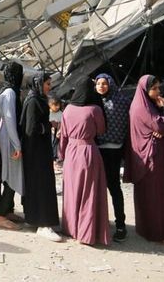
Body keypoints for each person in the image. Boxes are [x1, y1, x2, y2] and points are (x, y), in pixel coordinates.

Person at [59, 78, 110, 246]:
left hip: (70, 152)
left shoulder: (67, 109)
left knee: (72, 192)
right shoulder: (94, 110)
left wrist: (62, 155)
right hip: (87, 151)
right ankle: (86, 233)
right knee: (89, 193)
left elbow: (63, 136)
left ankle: (71, 228)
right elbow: (101, 130)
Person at [127, 75, 164, 244]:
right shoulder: (143, 108)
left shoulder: (147, 105)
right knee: (156, 195)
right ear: (144, 90)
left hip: (150, 156)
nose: (158, 92)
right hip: (150, 158)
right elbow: (160, 127)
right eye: (154, 88)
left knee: (150, 195)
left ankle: (147, 230)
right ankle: (158, 234)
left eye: (158, 88)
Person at [20, 73, 63, 241]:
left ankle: (42, 219)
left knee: (43, 185)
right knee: (41, 186)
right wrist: (48, 126)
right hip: (35, 152)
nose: (49, 87)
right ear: (38, 84)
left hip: (39, 151)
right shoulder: (33, 101)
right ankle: (42, 223)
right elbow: (31, 129)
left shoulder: (38, 99)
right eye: (47, 83)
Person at [94, 73, 131, 241]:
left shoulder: (122, 101)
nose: (101, 86)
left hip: (114, 150)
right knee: (96, 188)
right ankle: (98, 223)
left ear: (110, 84)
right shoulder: (93, 101)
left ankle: (121, 225)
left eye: (104, 83)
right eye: (98, 83)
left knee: (114, 187)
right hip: (96, 149)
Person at [0, 62, 24, 230]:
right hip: (10, 137)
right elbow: (10, 119)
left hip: (7, 135)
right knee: (10, 176)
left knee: (12, 175)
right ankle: (0, 215)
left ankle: (7, 210)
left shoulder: (8, 91)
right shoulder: (9, 93)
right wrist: (17, 145)